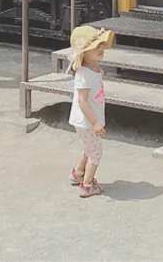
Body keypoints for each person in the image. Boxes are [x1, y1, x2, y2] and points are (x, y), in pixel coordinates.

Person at [67, 25, 115, 198]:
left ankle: (78, 173)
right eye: (96, 47)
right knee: (96, 151)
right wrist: (95, 122)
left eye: (102, 45)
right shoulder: (84, 74)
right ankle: (87, 184)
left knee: (89, 147)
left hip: (87, 120)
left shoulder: (93, 69)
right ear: (84, 53)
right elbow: (82, 101)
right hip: (86, 120)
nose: (101, 49)